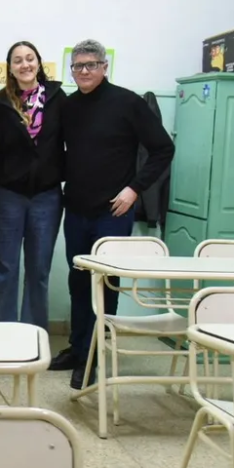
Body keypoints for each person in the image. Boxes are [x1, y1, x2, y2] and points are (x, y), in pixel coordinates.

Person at [57, 39, 175, 390]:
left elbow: (163, 149)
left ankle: (95, 356)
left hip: (113, 212)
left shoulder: (128, 102)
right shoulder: (69, 106)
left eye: (90, 65)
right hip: (76, 209)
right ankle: (78, 349)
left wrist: (134, 189)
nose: (84, 71)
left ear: (104, 67)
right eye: (77, 66)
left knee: (104, 286)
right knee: (78, 281)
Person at [0, 42, 65, 329]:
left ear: (39, 63)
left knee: (38, 270)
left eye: (30, 59)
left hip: (47, 197)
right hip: (6, 196)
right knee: (3, 269)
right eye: (18, 60)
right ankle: (0, 336)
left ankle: (32, 335)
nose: (25, 64)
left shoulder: (57, 97)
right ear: (10, 68)